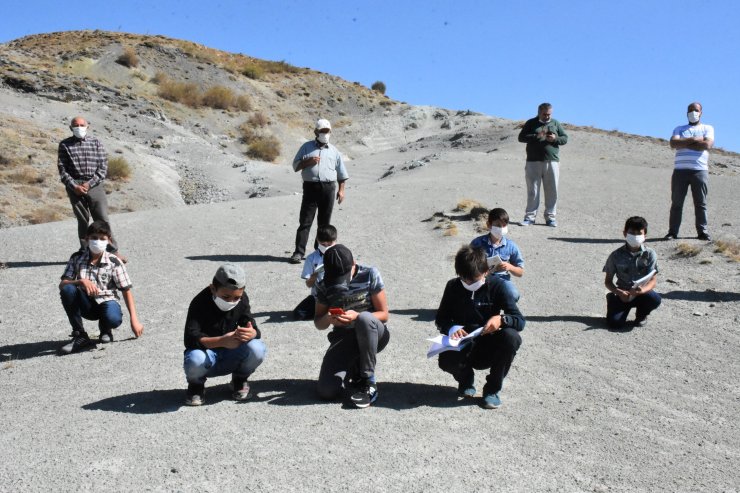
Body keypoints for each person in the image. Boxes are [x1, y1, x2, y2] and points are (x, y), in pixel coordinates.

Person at [435, 245, 525, 409]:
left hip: (489, 345)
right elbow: (441, 318)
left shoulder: (498, 286)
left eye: (474, 279)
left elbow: (519, 320)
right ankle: (465, 379)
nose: (468, 282)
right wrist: (451, 328)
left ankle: (492, 390)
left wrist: (501, 319)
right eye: (464, 278)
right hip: (462, 344)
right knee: (445, 360)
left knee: (512, 337)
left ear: (486, 272)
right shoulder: (453, 286)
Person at [314, 245, 390, 408]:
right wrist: (329, 318)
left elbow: (384, 314)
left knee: (364, 318)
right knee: (326, 391)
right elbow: (318, 322)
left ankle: (368, 380)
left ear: (353, 264)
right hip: (344, 339)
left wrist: (356, 317)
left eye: (343, 276)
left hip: (374, 334)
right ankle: (354, 367)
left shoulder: (370, 274)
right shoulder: (322, 282)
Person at [183, 263, 267, 406]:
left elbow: (251, 325)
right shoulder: (199, 302)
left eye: (236, 298)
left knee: (257, 348)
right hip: (207, 355)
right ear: (213, 288)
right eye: (226, 296)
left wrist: (252, 332)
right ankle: (196, 386)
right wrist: (222, 341)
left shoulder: (242, 298)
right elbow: (190, 339)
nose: (231, 301)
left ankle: (239, 380)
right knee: (194, 358)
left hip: (231, 353)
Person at [58, 220, 143, 355]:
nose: (98, 241)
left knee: (113, 319)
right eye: (94, 238)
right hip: (85, 303)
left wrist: (134, 319)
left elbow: (126, 290)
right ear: (87, 238)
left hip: (107, 301)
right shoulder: (76, 258)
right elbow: (63, 284)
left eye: (102, 239)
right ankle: (80, 335)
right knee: (68, 289)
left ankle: (105, 328)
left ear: (109, 240)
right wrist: (80, 281)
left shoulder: (114, 261)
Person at [57, 116, 120, 254]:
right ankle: (85, 250)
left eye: (81, 125)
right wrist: (74, 186)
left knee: (102, 218)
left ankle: (112, 250)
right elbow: (62, 170)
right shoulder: (64, 145)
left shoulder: (96, 142)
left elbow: (103, 167)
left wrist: (89, 184)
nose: (79, 127)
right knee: (82, 220)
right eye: (75, 125)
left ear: (87, 126)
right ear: (70, 128)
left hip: (94, 184)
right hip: (75, 187)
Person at [290, 119, 349, 264]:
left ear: (330, 132)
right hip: (311, 188)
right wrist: (308, 162)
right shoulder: (306, 147)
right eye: (322, 131)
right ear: (316, 132)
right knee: (305, 221)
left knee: (324, 223)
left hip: (329, 188)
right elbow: (295, 166)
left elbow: (342, 174)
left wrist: (341, 191)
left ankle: (320, 253)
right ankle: (298, 253)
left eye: (327, 131)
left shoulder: (334, 151)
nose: (324, 134)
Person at [666, 102, 715, 241]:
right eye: (690, 110)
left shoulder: (707, 128)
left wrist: (684, 142)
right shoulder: (679, 128)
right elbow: (673, 144)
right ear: (686, 112)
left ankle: (702, 232)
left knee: (700, 203)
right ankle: (672, 232)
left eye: (696, 110)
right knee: (677, 203)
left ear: (701, 112)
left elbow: (706, 145)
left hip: (699, 170)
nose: (693, 112)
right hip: (680, 171)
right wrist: (694, 140)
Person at [603, 216, 661, 329]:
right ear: (625, 234)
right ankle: (612, 299)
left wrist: (641, 290)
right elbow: (608, 281)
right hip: (623, 295)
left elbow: (653, 281)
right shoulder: (615, 256)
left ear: (645, 236)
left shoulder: (650, 254)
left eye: (639, 233)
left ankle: (641, 315)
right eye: (631, 233)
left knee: (655, 299)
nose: (635, 236)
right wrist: (617, 292)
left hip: (641, 293)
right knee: (614, 324)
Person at [517, 102, 568, 227]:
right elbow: (521, 137)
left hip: (552, 161)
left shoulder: (555, 123)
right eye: (544, 114)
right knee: (533, 190)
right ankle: (529, 217)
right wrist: (536, 136)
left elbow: (565, 138)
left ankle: (550, 218)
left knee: (552, 190)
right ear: (539, 112)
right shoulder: (531, 123)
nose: (547, 116)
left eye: (549, 114)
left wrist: (555, 138)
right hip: (533, 161)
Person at [470, 208, 525, 301]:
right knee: (477, 301)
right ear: (489, 225)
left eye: (504, 225)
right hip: (481, 279)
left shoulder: (511, 246)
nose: (501, 229)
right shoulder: (477, 243)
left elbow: (520, 272)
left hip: (502, 279)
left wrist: (510, 267)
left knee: (513, 295)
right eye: (498, 225)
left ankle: (504, 310)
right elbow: (467, 264)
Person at [293, 224, 338, 320]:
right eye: (323, 244)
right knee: (299, 314)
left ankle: (329, 311)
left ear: (335, 241)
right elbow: (309, 285)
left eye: (329, 245)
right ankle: (326, 311)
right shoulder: (311, 258)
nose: (326, 247)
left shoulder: (341, 254)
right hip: (319, 296)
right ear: (317, 240)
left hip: (337, 294)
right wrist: (315, 275)